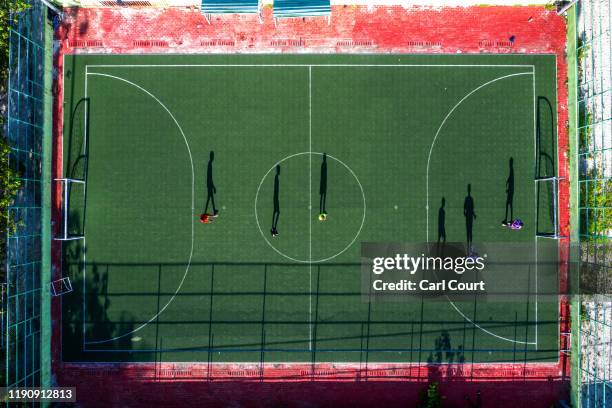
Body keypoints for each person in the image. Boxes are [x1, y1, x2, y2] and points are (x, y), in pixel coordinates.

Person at [205, 151, 219, 217]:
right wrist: (213, 186)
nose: (213, 157)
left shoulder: (209, 163)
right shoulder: (210, 164)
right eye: (213, 156)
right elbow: (210, 176)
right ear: (212, 156)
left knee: (210, 197)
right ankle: (208, 212)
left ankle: (214, 210)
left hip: (209, 183)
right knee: (209, 198)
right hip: (209, 184)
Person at [463, 184, 476, 252]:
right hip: (470, 216)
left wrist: (465, 213)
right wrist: (473, 215)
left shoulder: (468, 199)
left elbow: (464, 209)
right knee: (470, 230)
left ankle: (469, 245)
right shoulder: (470, 199)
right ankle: (470, 245)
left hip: (469, 216)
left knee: (468, 230)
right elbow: (471, 208)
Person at [502, 157, 514, 226]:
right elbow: (510, 178)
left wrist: (509, 190)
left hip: (511, 191)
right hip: (510, 190)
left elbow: (512, 180)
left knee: (509, 204)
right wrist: (507, 181)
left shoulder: (511, 169)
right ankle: (508, 220)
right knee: (509, 204)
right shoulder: (511, 169)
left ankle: (508, 220)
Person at [271, 165, 280, 237]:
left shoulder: (277, 177)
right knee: (277, 211)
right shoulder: (276, 177)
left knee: (276, 211)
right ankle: (273, 229)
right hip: (275, 197)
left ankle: (273, 228)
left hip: (276, 196)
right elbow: (276, 186)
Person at [319, 153, 328, 220]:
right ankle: (321, 213)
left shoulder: (324, 164)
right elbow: (324, 175)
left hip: (323, 183)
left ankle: (322, 211)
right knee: (322, 198)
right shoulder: (324, 164)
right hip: (323, 183)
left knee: (323, 198)